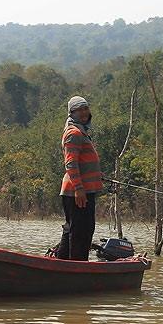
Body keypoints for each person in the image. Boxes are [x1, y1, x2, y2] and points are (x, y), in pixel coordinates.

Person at [57, 95, 103, 260]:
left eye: (85, 108)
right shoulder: (74, 133)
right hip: (77, 192)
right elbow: (70, 164)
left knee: (73, 229)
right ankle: (77, 267)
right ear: (72, 113)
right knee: (81, 231)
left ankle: (62, 264)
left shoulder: (81, 131)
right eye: (79, 110)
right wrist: (79, 189)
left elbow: (82, 162)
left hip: (82, 190)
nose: (84, 112)